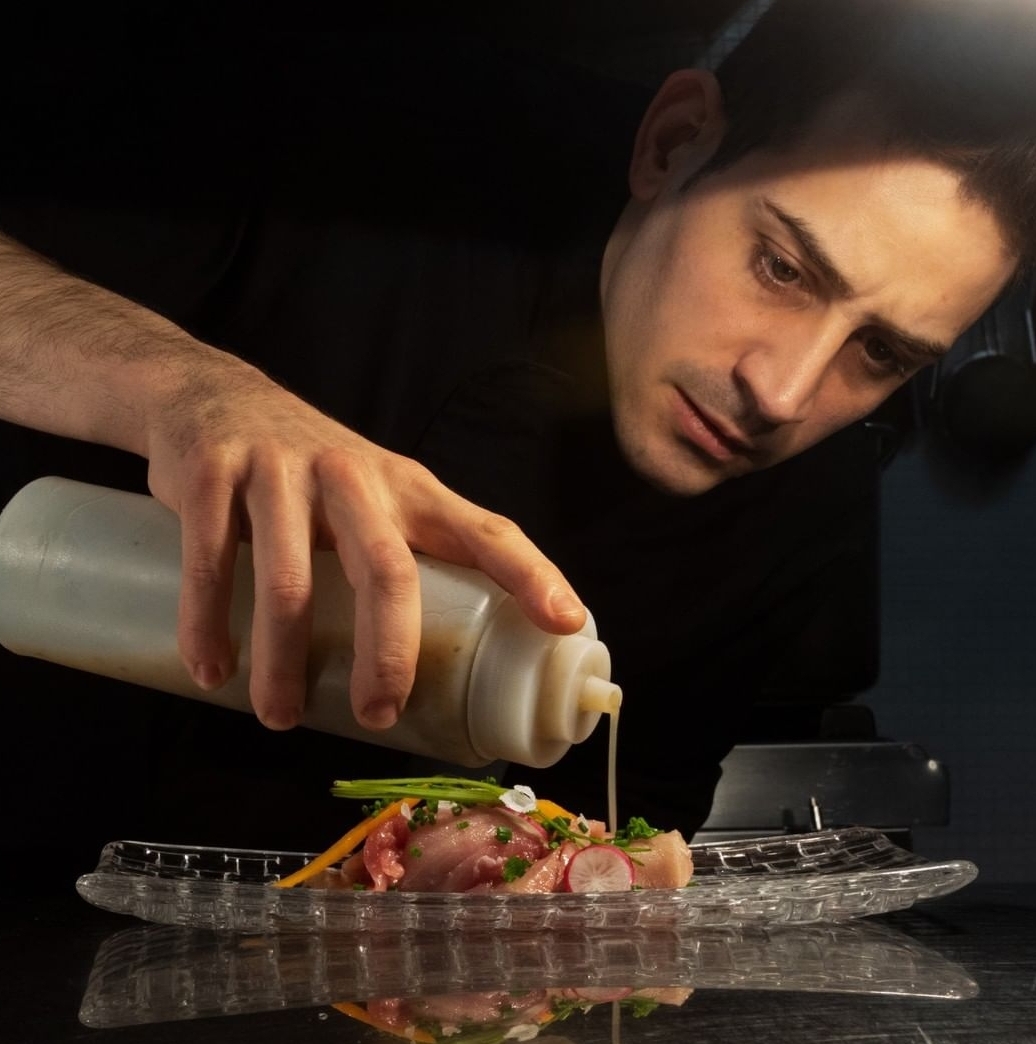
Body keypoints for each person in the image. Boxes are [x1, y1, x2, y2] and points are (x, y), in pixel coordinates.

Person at [0, 0, 1034, 871]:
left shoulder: (808, 507)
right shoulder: (364, 123)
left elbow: (623, 827)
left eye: (880, 352)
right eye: (781, 268)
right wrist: (189, 393)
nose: (783, 390)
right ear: (673, 142)